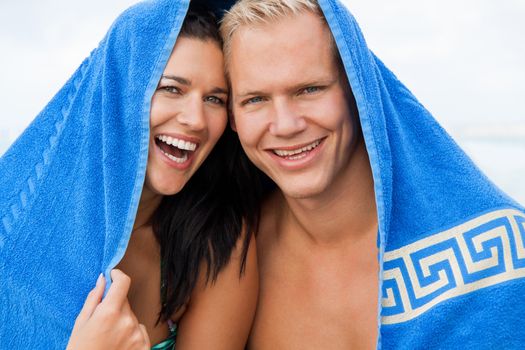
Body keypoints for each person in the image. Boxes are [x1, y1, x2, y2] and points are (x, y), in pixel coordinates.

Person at [219, 0, 525, 349]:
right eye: (255, 100)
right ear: (232, 115)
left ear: (358, 90)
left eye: (309, 89)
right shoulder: (231, 250)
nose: (286, 125)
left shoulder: (497, 253)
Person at [0, 1, 260, 349]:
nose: (196, 119)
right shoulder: (16, 233)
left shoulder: (217, 239)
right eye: (171, 89)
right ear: (120, 95)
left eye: (214, 98)